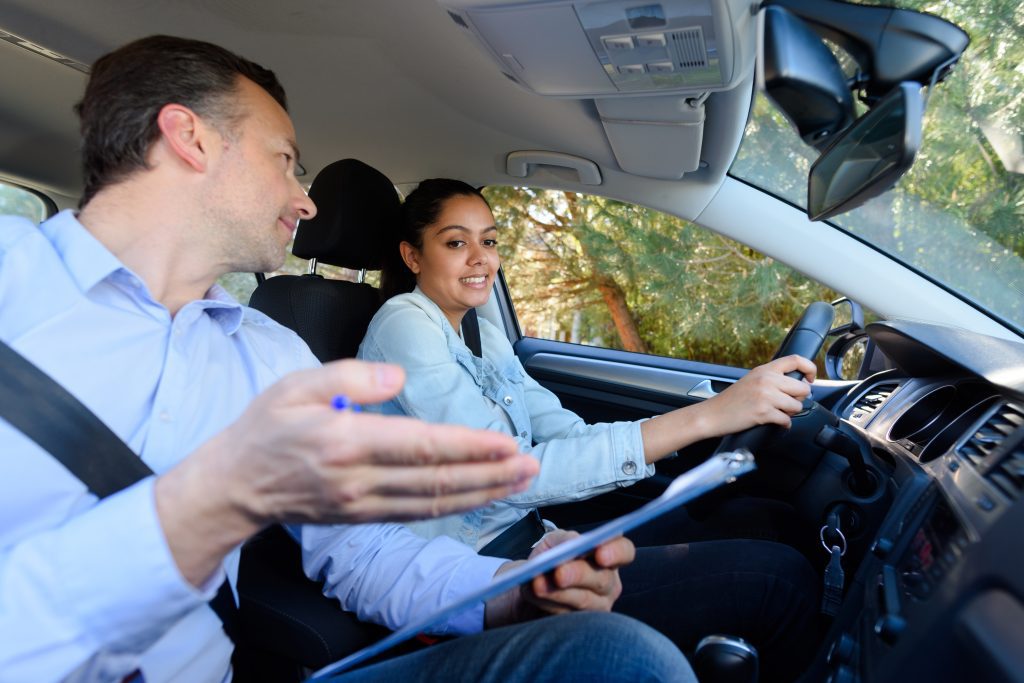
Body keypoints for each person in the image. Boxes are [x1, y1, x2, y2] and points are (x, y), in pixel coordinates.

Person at [0, 36, 694, 683]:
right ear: (191, 138)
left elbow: (362, 549)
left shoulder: (273, 357)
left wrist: (512, 594)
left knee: (616, 654)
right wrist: (200, 507)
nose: (304, 198)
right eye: (286, 161)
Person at [359, 178, 822, 681]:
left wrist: (716, 413)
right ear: (412, 256)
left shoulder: (482, 333)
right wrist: (709, 417)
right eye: (456, 242)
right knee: (780, 580)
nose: (480, 258)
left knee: (765, 519)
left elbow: (565, 432)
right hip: (482, 572)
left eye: (489, 241)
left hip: (539, 539)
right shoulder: (401, 326)